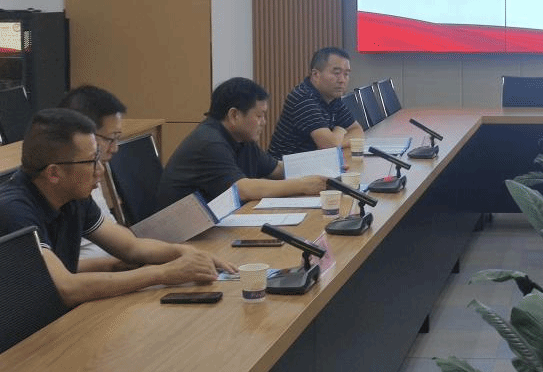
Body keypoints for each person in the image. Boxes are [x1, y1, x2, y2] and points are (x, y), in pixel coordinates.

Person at [0, 108, 235, 307]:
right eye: (91, 161)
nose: (100, 170)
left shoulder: (73, 196)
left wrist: (185, 253)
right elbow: (66, 288)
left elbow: (132, 247)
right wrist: (163, 273)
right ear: (54, 173)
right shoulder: (13, 210)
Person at [157, 77, 328, 208]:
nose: (264, 122)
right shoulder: (209, 143)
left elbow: (277, 169)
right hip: (182, 234)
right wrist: (302, 185)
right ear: (234, 115)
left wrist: (327, 171)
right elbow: (243, 189)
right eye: (259, 116)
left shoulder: (242, 139)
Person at [58, 85, 129, 268]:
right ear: (81, 133)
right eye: (110, 139)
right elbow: (56, 274)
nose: (115, 148)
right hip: (91, 279)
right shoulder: (63, 184)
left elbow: (125, 244)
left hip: (111, 268)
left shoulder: (89, 172)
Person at [268, 47, 364, 158]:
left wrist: (336, 140)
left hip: (314, 162)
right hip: (286, 167)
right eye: (336, 73)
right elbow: (328, 145)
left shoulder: (333, 97)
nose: (342, 80)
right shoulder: (303, 98)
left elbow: (357, 131)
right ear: (315, 75)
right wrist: (341, 131)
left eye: (346, 74)